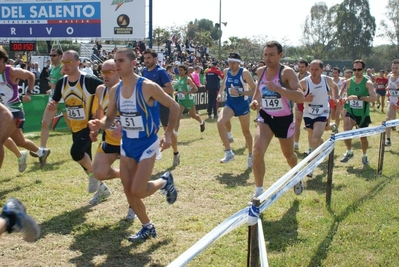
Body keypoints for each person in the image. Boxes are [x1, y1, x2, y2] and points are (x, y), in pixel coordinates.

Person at [88, 47, 179, 241]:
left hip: (147, 143)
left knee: (138, 190)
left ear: (133, 63)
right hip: (127, 144)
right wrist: (98, 124)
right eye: (115, 61)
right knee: (129, 191)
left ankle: (164, 181)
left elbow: (174, 106)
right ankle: (148, 227)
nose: (117, 65)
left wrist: (168, 134)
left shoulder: (147, 86)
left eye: (121, 61)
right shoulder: (115, 91)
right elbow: (109, 119)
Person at [250, 41, 305, 197]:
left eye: (272, 55)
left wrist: (279, 89)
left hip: (284, 120)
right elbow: (258, 93)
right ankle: (259, 192)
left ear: (280, 55)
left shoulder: (286, 73)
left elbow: (300, 97)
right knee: (257, 151)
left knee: (289, 155)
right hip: (266, 117)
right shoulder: (260, 72)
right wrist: (255, 102)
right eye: (266, 54)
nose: (268, 58)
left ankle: (296, 176)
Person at [47, 50, 104, 195]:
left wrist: (98, 115)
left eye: (69, 62)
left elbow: (106, 91)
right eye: (63, 62)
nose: (65, 65)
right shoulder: (62, 82)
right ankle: (102, 189)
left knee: (76, 152)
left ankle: (95, 176)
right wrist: (52, 104)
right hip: (75, 126)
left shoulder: (89, 80)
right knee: (85, 160)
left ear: (78, 63)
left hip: (88, 125)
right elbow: (55, 99)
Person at [0, 47, 51, 169]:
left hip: (14, 112)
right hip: (2, 112)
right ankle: (41, 152)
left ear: (2, 60)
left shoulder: (11, 71)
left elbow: (31, 76)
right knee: (20, 141)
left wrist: (28, 92)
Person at [216, 52, 256, 167]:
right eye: (229, 63)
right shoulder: (226, 71)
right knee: (220, 123)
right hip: (230, 103)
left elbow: (254, 90)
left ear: (239, 63)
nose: (231, 65)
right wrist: (220, 93)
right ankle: (229, 153)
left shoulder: (244, 73)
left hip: (242, 104)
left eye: (234, 63)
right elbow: (224, 82)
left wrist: (240, 92)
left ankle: (250, 155)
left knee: (246, 132)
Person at [142, 49, 180, 166]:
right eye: (145, 58)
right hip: (150, 106)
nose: (146, 60)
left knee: (168, 131)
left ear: (155, 59)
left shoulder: (161, 71)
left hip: (163, 105)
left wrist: (154, 91)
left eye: (149, 58)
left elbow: (170, 89)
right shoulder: (144, 71)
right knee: (149, 130)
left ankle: (175, 152)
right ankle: (154, 152)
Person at [301, 60, 338, 177]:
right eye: (311, 69)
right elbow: (295, 94)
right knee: (314, 138)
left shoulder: (326, 80)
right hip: (308, 113)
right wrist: (305, 98)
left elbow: (335, 87)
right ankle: (326, 146)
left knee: (315, 139)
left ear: (322, 70)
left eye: (316, 69)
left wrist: (335, 98)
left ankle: (311, 167)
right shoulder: (304, 82)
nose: (313, 72)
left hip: (322, 111)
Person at [340, 60, 377, 164]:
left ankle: (364, 155)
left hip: (363, 114)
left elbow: (374, 98)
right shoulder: (348, 82)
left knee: (363, 138)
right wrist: (346, 99)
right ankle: (349, 152)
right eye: (354, 69)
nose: (356, 71)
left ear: (363, 70)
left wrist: (358, 97)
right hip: (350, 111)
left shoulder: (368, 83)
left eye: (359, 69)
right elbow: (346, 95)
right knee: (346, 132)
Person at [36, 48, 70, 156]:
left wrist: (58, 87)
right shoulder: (52, 69)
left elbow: (72, 81)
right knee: (45, 123)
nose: (51, 57)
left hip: (64, 100)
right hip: (53, 100)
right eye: (50, 55)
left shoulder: (62, 68)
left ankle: (81, 146)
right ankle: (42, 150)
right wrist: (51, 90)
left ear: (60, 56)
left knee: (72, 127)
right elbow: (55, 83)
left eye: (54, 55)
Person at [174, 65, 205, 133]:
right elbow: (179, 89)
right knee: (177, 116)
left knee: (193, 115)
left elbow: (195, 88)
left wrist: (187, 92)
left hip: (189, 100)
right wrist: (177, 92)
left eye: (181, 70)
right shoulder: (179, 79)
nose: (180, 71)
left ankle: (202, 122)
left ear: (185, 71)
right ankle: (175, 133)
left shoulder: (187, 79)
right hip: (181, 100)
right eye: (179, 70)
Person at [293, 59, 309, 152]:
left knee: (309, 125)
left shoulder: (310, 77)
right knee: (297, 123)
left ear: (307, 67)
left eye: (302, 67)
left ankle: (311, 147)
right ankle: (296, 144)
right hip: (298, 102)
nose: (300, 69)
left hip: (308, 103)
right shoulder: (295, 77)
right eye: (299, 67)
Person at [384, 59, 399, 146]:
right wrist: (387, 90)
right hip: (392, 101)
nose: (394, 70)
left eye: (396, 68)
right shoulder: (389, 76)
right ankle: (388, 139)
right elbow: (389, 85)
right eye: (393, 68)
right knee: (387, 119)